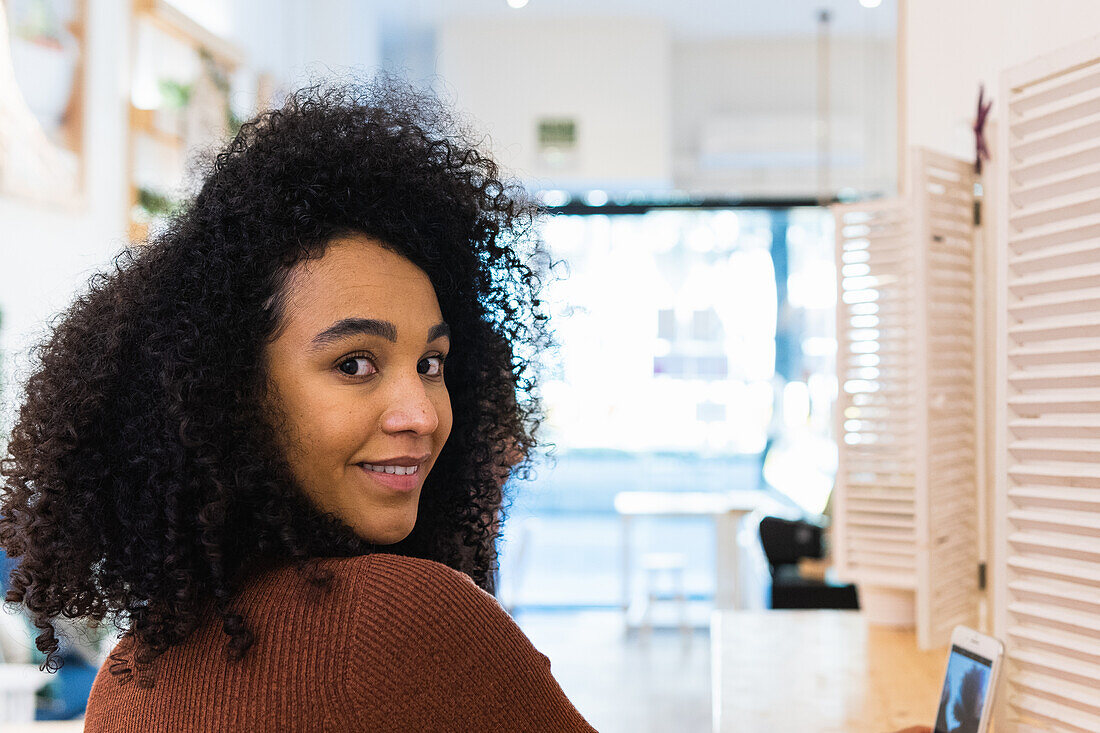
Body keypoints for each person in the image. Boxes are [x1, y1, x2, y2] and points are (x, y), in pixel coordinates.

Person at [0, 78, 591, 731]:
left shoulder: (128, 674)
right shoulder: (409, 619)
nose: (421, 414)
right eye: (354, 363)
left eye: (431, 364)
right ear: (232, 394)